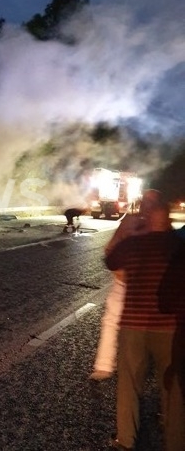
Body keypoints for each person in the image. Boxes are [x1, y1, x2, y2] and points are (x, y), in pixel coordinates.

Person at [105, 203, 185, 451]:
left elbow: (110, 261)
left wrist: (123, 230)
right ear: (168, 221)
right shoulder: (178, 245)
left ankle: (126, 440)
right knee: (172, 389)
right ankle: (175, 441)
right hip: (169, 328)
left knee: (129, 384)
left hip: (133, 325)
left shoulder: (133, 244)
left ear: (147, 220)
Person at [89, 189, 164, 381]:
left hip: (149, 287)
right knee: (111, 321)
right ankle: (104, 365)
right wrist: (118, 269)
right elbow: (110, 248)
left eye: (152, 202)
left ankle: (146, 365)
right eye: (146, 201)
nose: (148, 206)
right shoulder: (129, 222)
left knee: (147, 327)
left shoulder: (161, 226)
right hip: (123, 284)